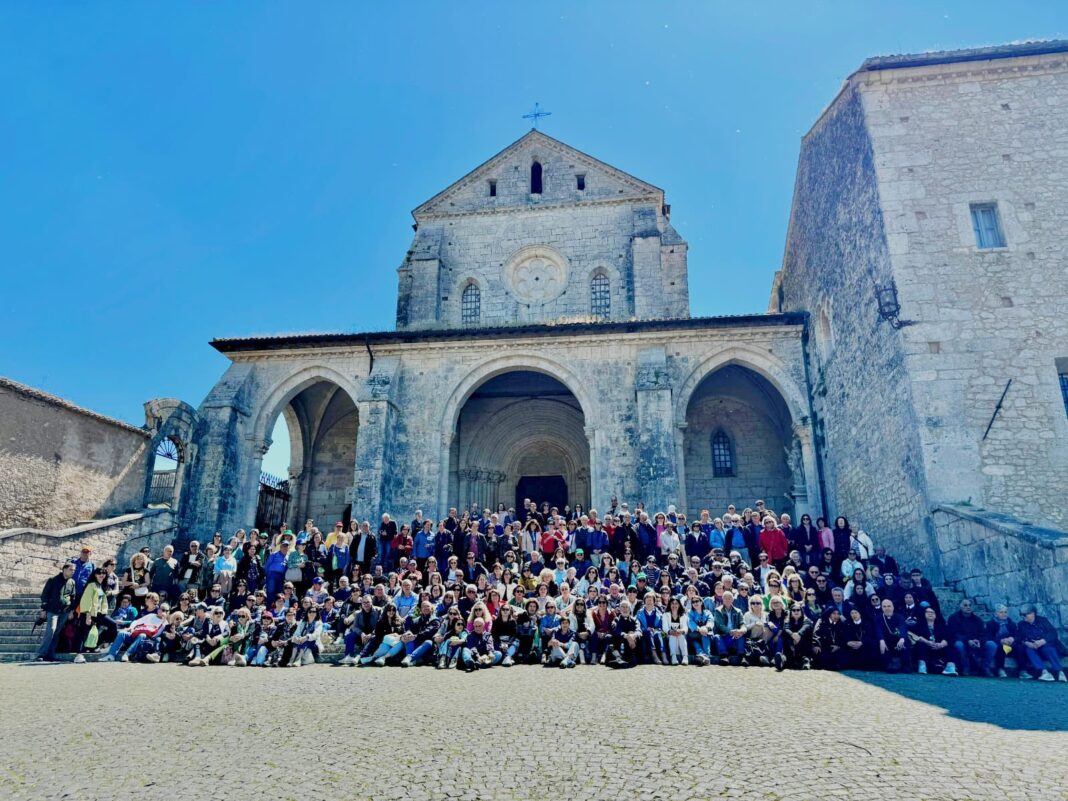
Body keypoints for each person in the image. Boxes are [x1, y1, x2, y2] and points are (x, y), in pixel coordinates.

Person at [1017, 604, 1067, 682]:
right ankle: (1044, 672)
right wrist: (1027, 643)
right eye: (1021, 614)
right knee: (1029, 650)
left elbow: (1053, 633)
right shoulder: (1021, 624)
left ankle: (1060, 672)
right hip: (1033, 646)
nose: (1022, 616)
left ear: (1032, 614)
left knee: (1048, 649)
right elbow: (1020, 637)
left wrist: (1042, 641)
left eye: (1024, 614)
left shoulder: (1042, 620)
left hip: (1045, 645)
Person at [37, 563, 75, 662]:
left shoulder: (72, 582)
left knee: (57, 632)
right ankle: (42, 654)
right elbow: (44, 595)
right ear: (64, 569)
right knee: (51, 630)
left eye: (73, 570)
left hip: (65, 611)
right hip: (52, 610)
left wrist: (71, 610)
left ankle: (50, 654)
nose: (73, 572)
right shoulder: (53, 580)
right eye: (71, 570)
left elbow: (73, 597)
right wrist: (44, 609)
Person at [947, 599, 996, 677]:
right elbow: (953, 634)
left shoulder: (977, 620)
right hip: (962, 641)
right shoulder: (953, 618)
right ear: (960, 606)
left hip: (976, 642)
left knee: (991, 644)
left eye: (970, 605)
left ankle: (985, 667)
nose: (968, 607)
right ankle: (966, 667)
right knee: (958, 644)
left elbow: (983, 634)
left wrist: (979, 641)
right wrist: (967, 641)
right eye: (965, 605)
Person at [912, 606, 952, 675]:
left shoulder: (941, 626)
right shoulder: (919, 625)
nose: (930, 614)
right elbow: (916, 636)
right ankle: (922, 666)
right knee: (921, 645)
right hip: (926, 647)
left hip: (938, 647)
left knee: (950, 647)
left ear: (936, 615)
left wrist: (941, 644)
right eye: (928, 612)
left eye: (932, 612)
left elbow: (947, 637)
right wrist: (927, 642)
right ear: (924, 614)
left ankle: (950, 667)